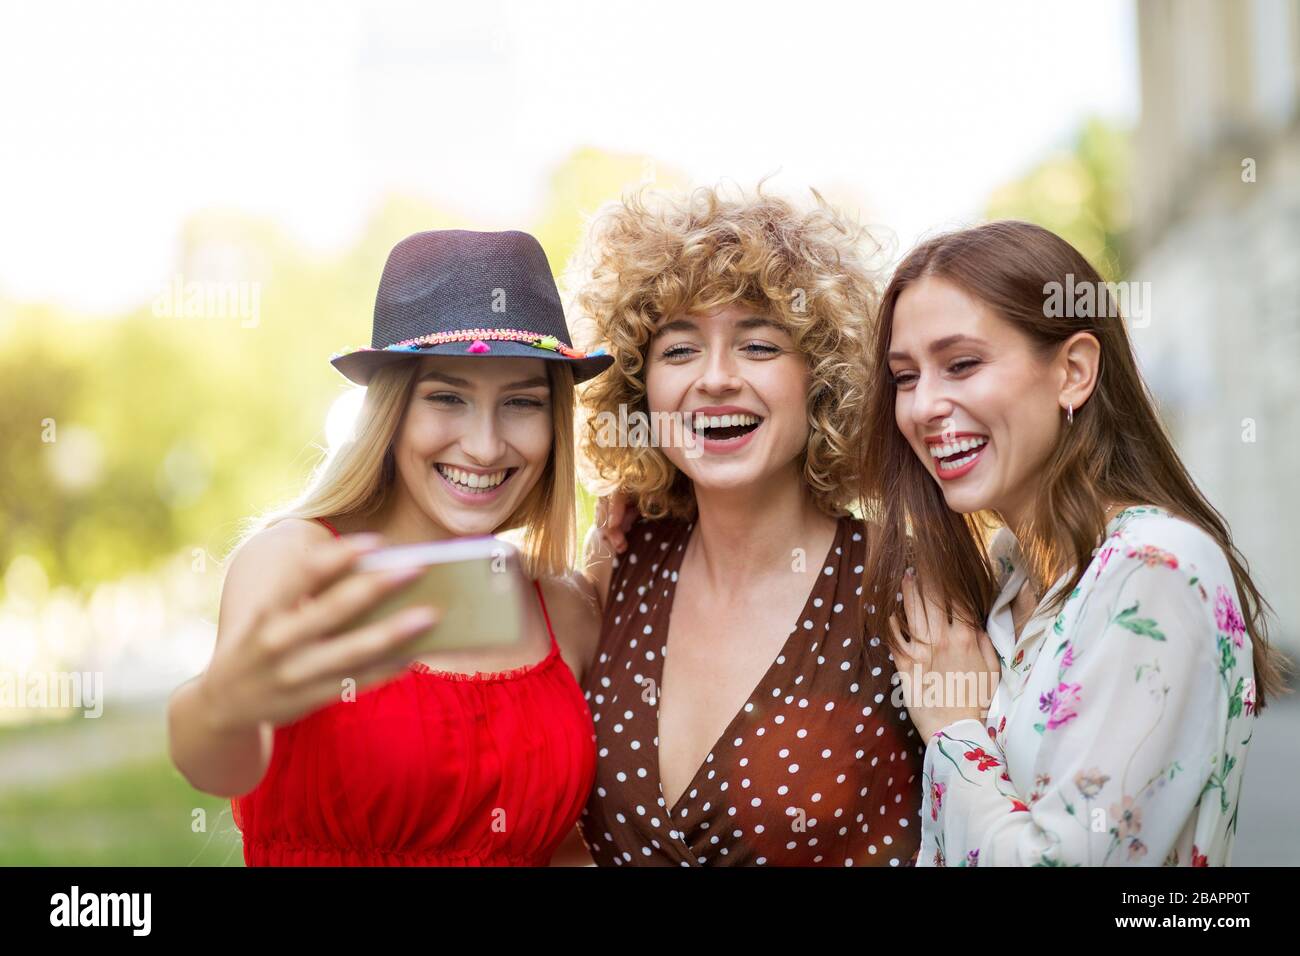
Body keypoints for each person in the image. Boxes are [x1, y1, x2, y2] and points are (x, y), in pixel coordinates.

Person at [166, 229, 613, 865]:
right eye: (447, 398)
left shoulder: (564, 606)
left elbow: (565, 847)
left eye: (521, 403)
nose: (485, 446)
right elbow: (212, 761)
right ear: (392, 411)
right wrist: (222, 704)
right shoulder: (296, 563)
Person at [861, 220, 1288, 866]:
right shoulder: (1010, 577)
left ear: (1074, 371)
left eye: (962, 364)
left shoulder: (1155, 568)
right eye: (905, 376)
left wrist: (953, 729)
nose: (923, 407)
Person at [573, 185, 923, 866]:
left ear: (822, 377)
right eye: (678, 351)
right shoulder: (617, 566)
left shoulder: (903, 576)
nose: (716, 379)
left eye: (759, 346)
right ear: (639, 386)